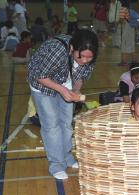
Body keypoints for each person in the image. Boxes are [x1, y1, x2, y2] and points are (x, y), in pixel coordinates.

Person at [27, 29, 99, 180]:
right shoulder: (57, 50)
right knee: (51, 125)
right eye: (82, 56)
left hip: (64, 81)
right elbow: (39, 76)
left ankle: (66, 156)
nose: (85, 61)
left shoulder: (89, 56)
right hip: (42, 85)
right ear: (72, 48)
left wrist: (75, 91)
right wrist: (62, 90)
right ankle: (56, 164)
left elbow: (80, 76)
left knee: (66, 123)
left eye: (89, 58)